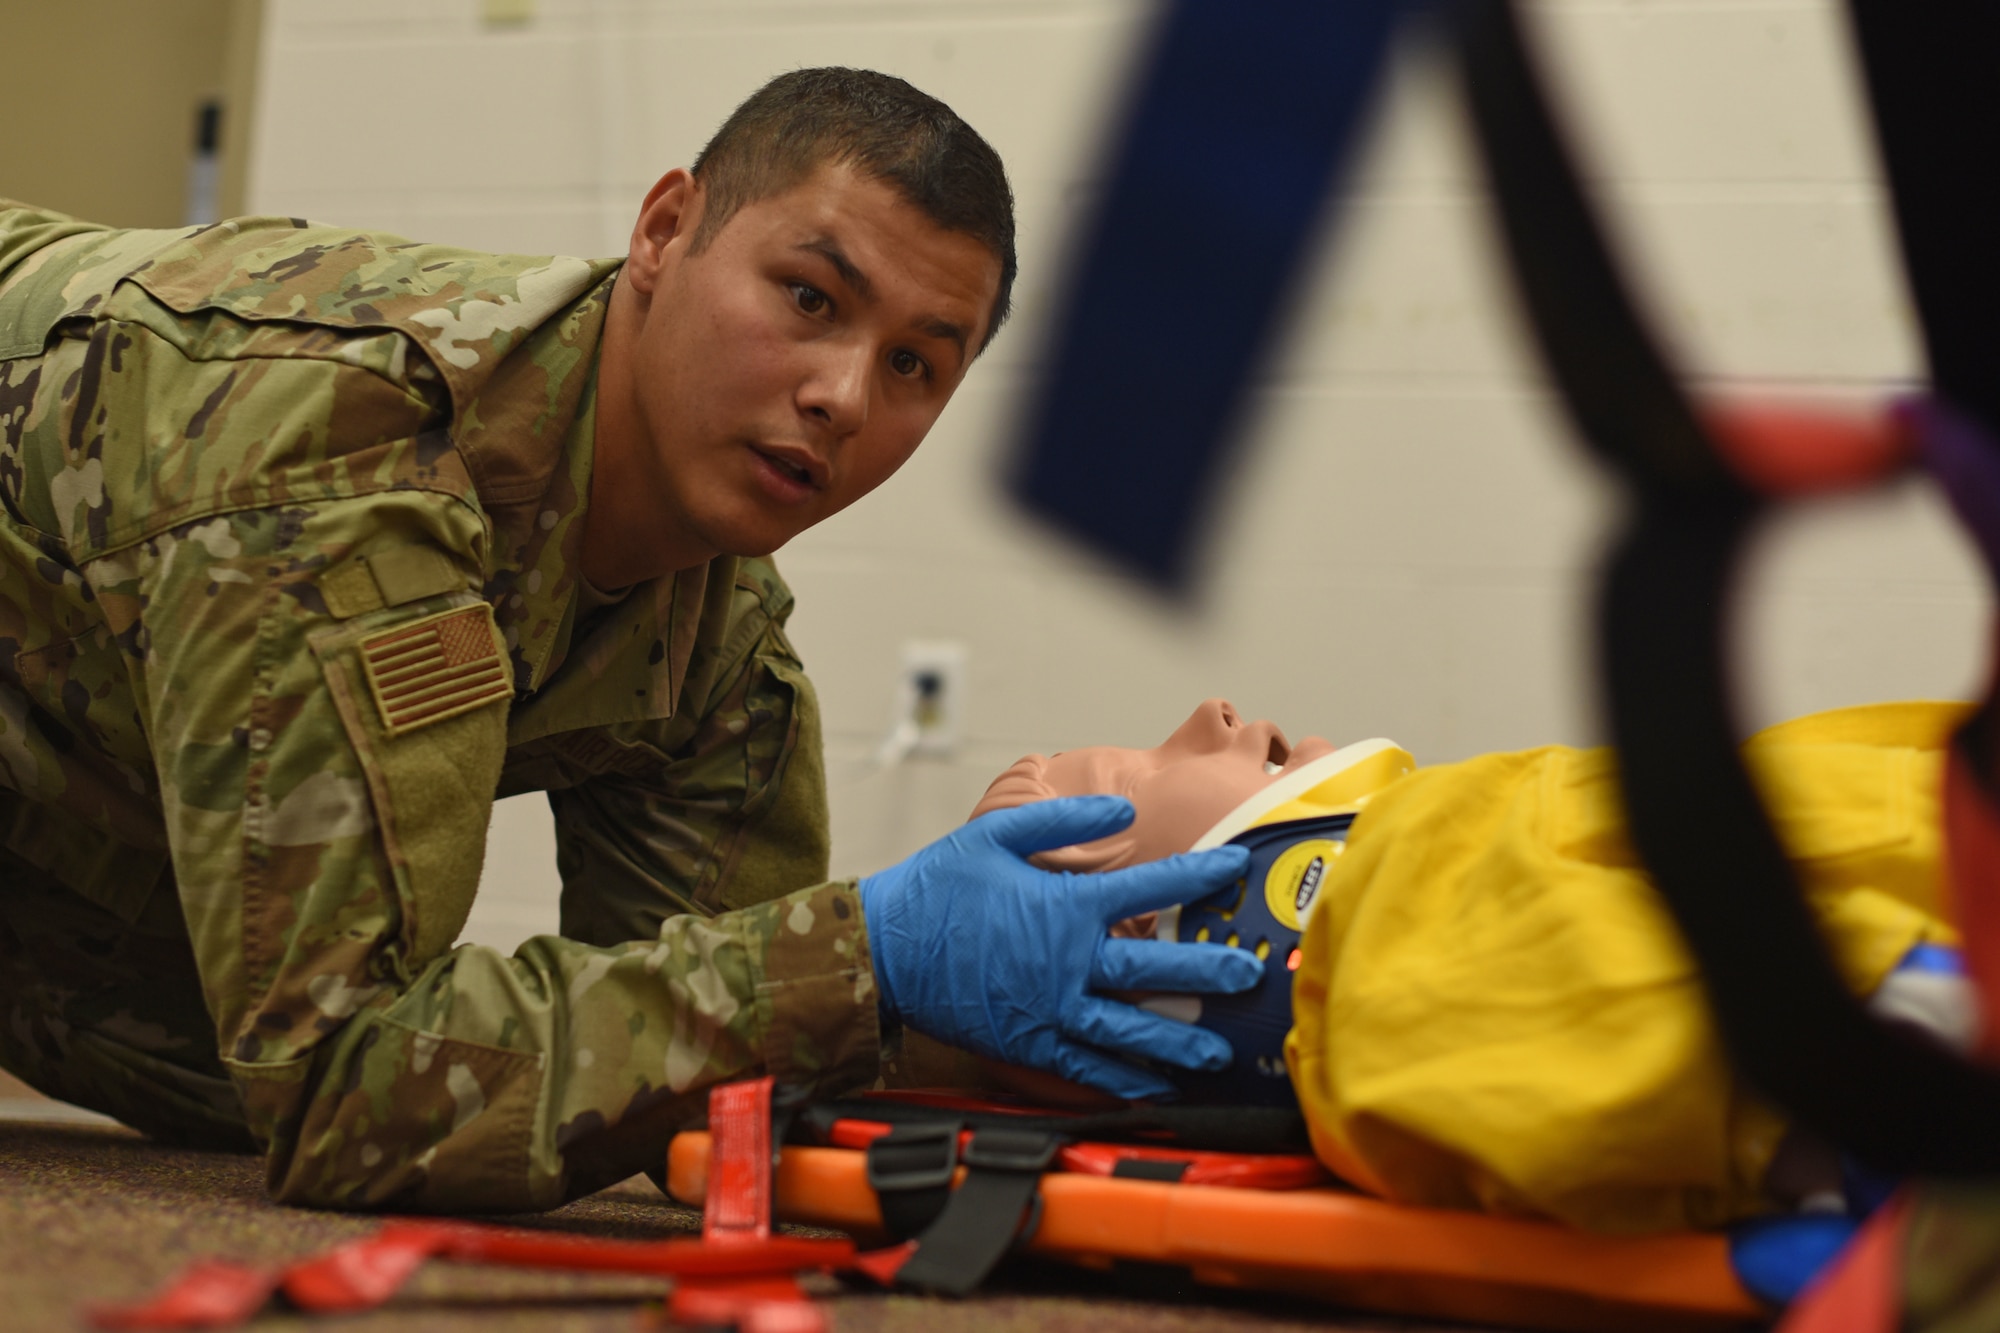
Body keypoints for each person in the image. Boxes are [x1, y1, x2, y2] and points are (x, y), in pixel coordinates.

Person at [0, 68, 1259, 1212]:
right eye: (808, 296)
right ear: (663, 232)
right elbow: (346, 1093)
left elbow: (724, 1058)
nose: (843, 395)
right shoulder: (350, 459)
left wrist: (986, 993)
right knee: (317, 1076)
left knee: (244, 1058)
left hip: (57, 739)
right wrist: (872, 947)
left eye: (916, 368)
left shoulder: (721, 662)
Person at [965, 697, 1968, 1234]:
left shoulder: (1425, 868)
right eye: (1127, 775)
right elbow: (1632, 1039)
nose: (1210, 712)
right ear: (1135, 942)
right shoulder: (1382, 989)